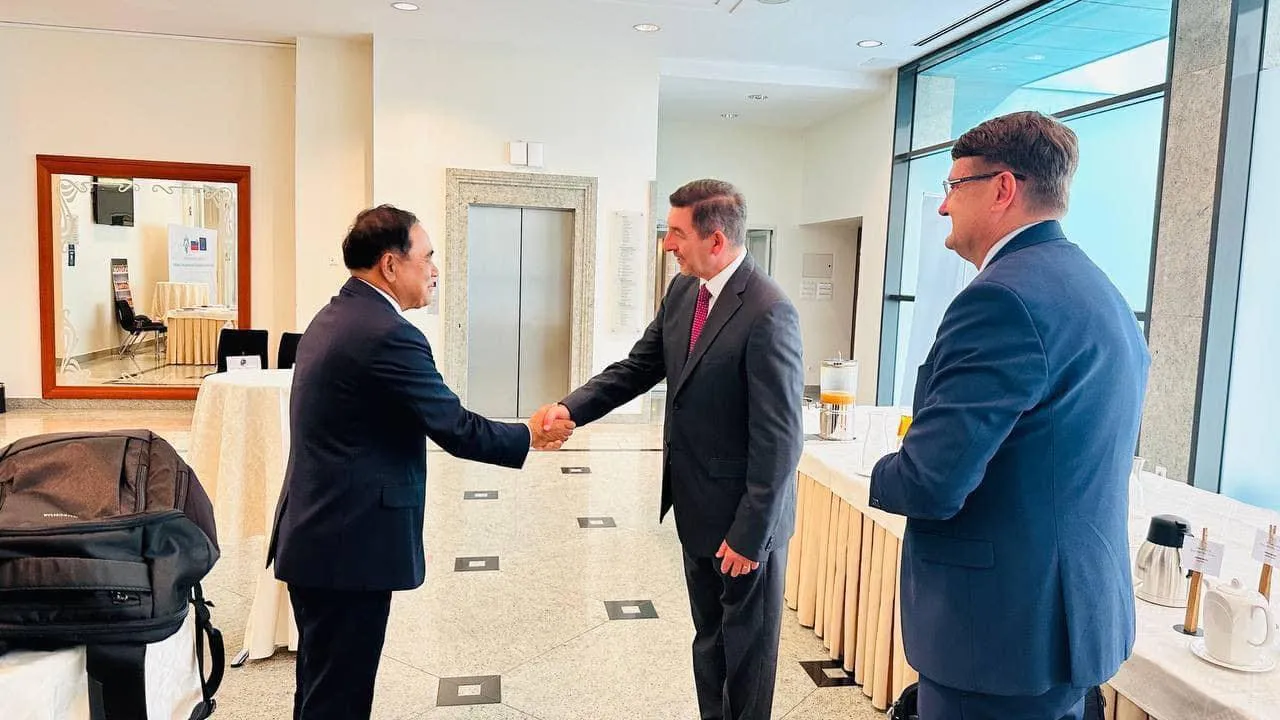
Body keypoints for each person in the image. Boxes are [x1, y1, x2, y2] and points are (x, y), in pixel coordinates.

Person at [869, 111, 1149, 719]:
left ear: (1002, 188)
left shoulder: (1000, 299)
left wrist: (882, 470)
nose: (944, 207)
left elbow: (931, 481)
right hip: (1069, 621)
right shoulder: (1100, 290)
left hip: (998, 635)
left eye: (953, 186)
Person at [266, 205, 574, 720]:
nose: (435, 270)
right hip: (348, 546)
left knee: (322, 688)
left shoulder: (336, 315)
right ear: (390, 264)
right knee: (338, 696)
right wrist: (529, 435)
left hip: (320, 534)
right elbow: (453, 426)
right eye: (427, 257)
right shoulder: (387, 333)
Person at [541, 179, 804, 720]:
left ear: (715, 239)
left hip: (745, 524)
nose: (667, 244)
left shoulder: (768, 310)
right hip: (697, 509)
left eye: (677, 233)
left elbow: (780, 439)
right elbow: (638, 367)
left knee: (747, 657)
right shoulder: (685, 292)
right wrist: (572, 408)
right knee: (709, 641)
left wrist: (750, 534)